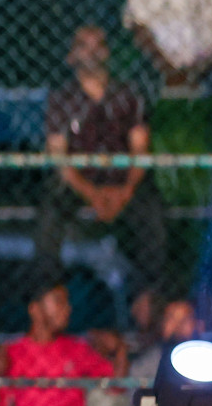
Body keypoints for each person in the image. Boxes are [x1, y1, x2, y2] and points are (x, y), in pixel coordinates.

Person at [33, 25, 167, 294]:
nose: (92, 52)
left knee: (153, 213)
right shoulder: (61, 100)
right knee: (49, 212)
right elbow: (59, 158)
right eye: (84, 45)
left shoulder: (128, 95)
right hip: (80, 183)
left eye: (98, 45)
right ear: (71, 56)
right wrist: (92, 194)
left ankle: (151, 297)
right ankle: (48, 294)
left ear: (107, 52)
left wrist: (125, 191)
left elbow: (140, 150)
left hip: (122, 181)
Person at [0, 282, 127, 406]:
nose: (68, 309)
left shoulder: (76, 349)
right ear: (35, 309)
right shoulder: (13, 353)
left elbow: (117, 386)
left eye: (67, 302)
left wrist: (119, 350)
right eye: (58, 301)